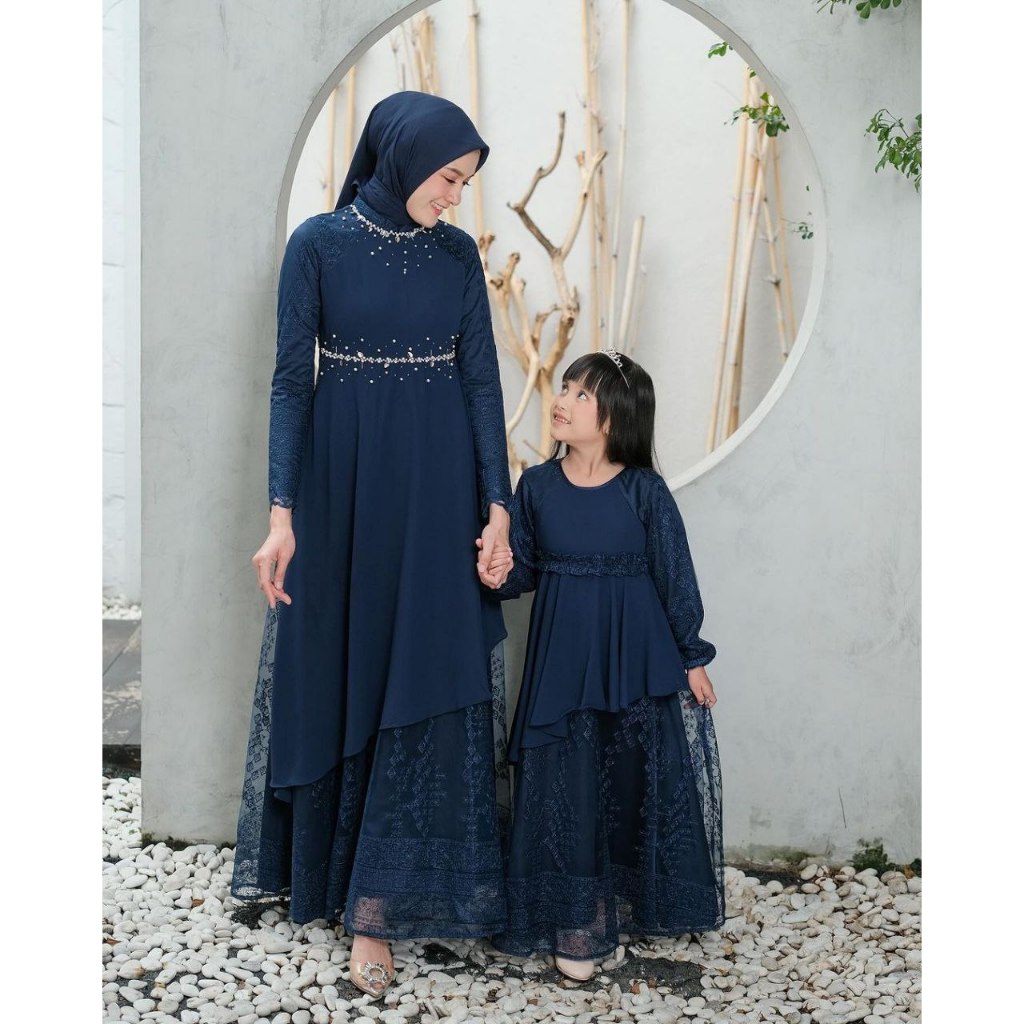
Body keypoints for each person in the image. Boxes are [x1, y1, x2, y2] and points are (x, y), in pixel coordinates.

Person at [231, 91, 514, 1000]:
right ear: (403, 158)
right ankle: (353, 900)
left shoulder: (457, 255)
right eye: (448, 178)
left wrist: (498, 506)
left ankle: (387, 901)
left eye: (465, 183)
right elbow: (290, 383)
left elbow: (481, 383)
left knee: (425, 672)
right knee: (349, 670)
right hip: (342, 488)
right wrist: (282, 515)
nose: (455, 197)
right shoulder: (317, 245)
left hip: (437, 489)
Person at [479, 350, 725, 980]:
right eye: (564, 387)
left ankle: (627, 902)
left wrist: (692, 656)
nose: (561, 400)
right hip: (563, 662)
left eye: (580, 394)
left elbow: (676, 577)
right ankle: (577, 917)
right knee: (566, 783)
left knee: (631, 780)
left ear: (615, 416)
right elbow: (521, 573)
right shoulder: (535, 487)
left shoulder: (645, 491)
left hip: (635, 661)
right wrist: (499, 569)